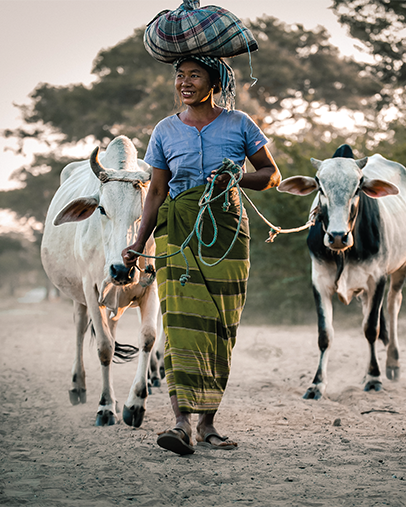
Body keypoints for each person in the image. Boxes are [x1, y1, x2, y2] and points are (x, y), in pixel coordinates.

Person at [122, 55, 281, 455]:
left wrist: (236, 176)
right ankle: (181, 423)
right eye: (180, 75)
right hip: (176, 234)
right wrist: (138, 244)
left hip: (226, 234)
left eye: (195, 75)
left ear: (216, 81)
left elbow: (271, 175)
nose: (185, 82)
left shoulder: (240, 124)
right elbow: (156, 192)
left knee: (220, 328)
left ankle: (209, 423)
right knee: (179, 325)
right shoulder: (164, 130)